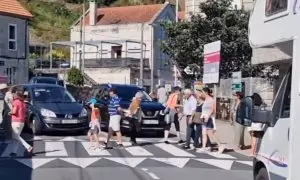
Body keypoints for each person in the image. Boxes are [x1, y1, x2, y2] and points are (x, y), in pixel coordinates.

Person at [197, 87, 225, 154]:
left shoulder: (211, 100)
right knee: (204, 134)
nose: (202, 94)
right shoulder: (205, 100)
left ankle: (220, 145)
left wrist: (208, 116)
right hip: (204, 118)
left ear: (206, 92)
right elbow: (198, 98)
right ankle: (204, 147)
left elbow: (213, 110)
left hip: (209, 118)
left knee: (210, 134)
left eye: (203, 92)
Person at [9, 88, 33, 157]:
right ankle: (14, 152)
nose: (13, 95)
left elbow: (14, 112)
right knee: (16, 138)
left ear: (17, 95)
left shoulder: (16, 102)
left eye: (15, 94)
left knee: (16, 136)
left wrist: (9, 113)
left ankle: (28, 147)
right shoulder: (23, 102)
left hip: (16, 122)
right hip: (21, 122)